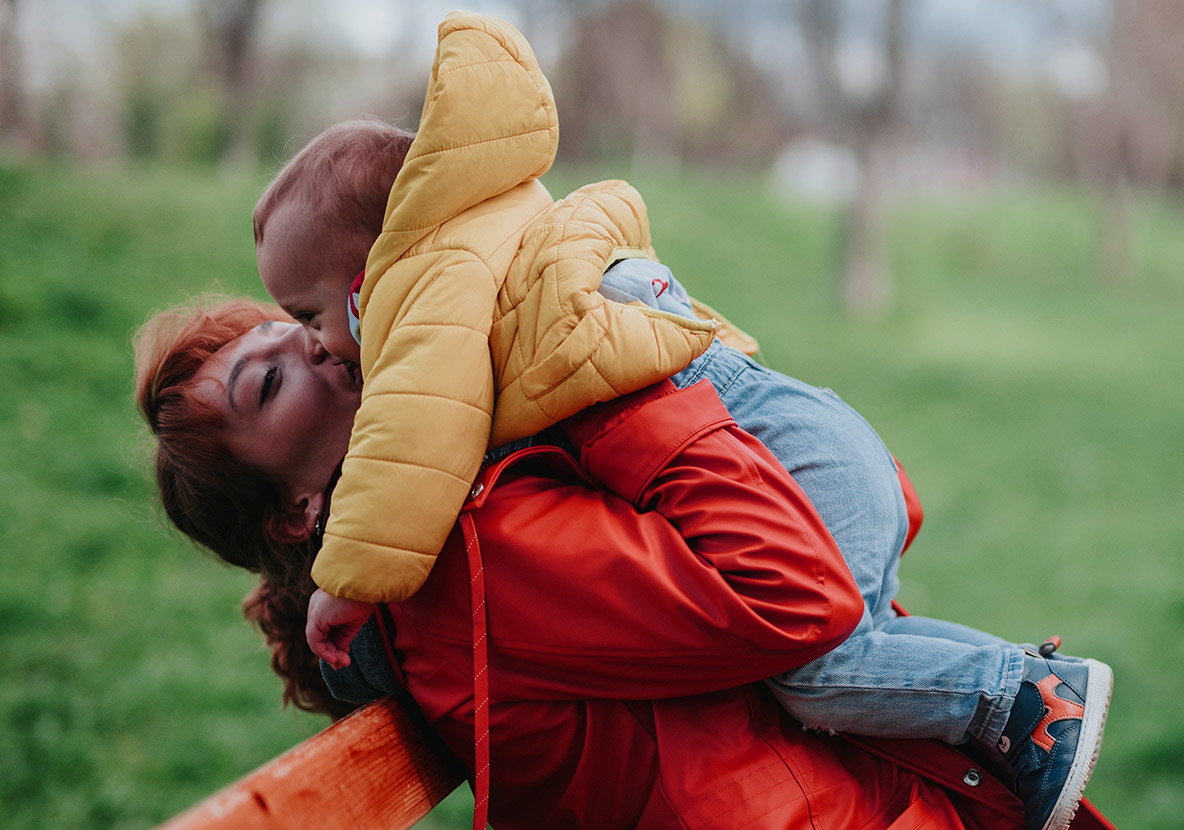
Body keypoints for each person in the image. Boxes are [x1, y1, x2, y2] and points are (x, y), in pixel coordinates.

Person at [251, 12, 1109, 830]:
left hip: (770, 444)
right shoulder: (495, 228)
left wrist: (352, 578)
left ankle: (1017, 696)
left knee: (819, 674)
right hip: (793, 425)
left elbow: (416, 445)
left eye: (307, 313)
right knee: (861, 644)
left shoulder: (426, 297)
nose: (321, 344)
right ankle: (1015, 703)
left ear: (367, 284)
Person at [132, 296, 1118, 830]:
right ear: (297, 511)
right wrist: (609, 375)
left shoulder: (440, 535)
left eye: (293, 326)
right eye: (272, 379)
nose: (316, 346)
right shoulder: (468, 557)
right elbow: (798, 590)